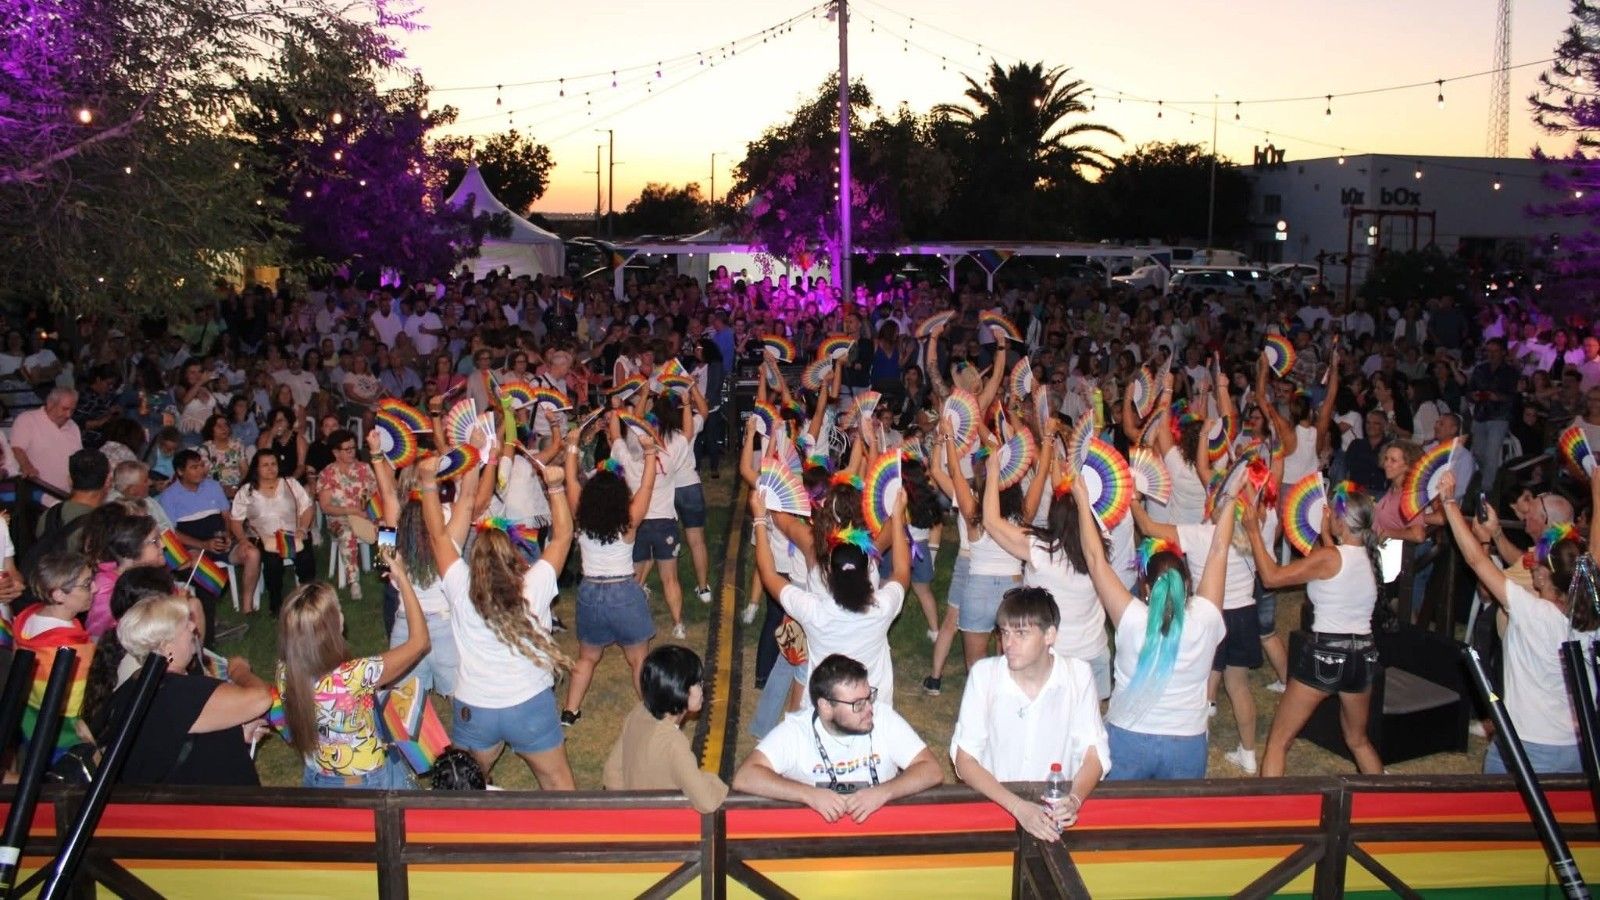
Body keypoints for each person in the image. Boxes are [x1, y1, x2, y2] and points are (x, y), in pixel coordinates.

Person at [419, 450, 578, 789]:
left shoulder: (461, 586)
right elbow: (563, 535)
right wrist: (556, 488)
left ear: (473, 560)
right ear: (514, 554)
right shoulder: (535, 584)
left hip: (476, 709)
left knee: (465, 789)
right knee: (559, 786)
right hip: (530, 707)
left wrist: (428, 484)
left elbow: (438, 538)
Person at [1439, 469, 1600, 774]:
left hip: (1527, 745)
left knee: (1499, 820)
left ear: (1542, 574)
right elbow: (1595, 556)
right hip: (1579, 746)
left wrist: (1449, 502)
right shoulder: (1590, 614)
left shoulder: (1533, 612)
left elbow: (1476, 561)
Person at [1075, 479, 1231, 780]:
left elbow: (1095, 559)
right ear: (1187, 583)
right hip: (1187, 743)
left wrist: (1083, 498)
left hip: (1127, 739)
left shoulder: (1132, 618)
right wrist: (1233, 499)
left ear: (1145, 588)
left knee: (1119, 822)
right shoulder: (1206, 618)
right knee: (1180, 824)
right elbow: (1219, 550)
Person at [1242, 483, 1384, 776]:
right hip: (1364, 658)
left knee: (1279, 741)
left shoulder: (1330, 558)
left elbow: (1270, 578)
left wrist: (1254, 531)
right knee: (1358, 741)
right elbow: (1337, 564)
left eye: (1333, 511)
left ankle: (1266, 816)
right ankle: (1383, 808)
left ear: (1343, 521)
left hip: (1328, 655)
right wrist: (1327, 534)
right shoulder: (1369, 558)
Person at [949, 587, 1108, 841]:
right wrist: (1018, 807)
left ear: (1050, 635)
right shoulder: (984, 676)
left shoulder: (1077, 676)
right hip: (996, 807)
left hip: (1055, 816)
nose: (1008, 644)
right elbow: (965, 759)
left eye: (1021, 633)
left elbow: (1094, 752)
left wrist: (1074, 799)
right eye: (1004, 632)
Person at [276, 548, 429, 789]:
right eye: (338, 608)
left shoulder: (285, 671)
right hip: (366, 780)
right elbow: (420, 642)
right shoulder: (353, 676)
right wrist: (403, 580)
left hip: (317, 776)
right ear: (332, 625)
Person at [750, 480, 910, 709]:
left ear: (829, 575)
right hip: (871, 707)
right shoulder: (882, 608)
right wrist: (898, 514)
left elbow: (768, 574)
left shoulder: (814, 610)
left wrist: (761, 515)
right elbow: (902, 570)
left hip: (823, 707)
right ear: (868, 567)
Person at [732, 654, 942, 823]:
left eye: (869, 697)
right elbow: (746, 777)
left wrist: (883, 792)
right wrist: (808, 794)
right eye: (857, 704)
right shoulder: (795, 731)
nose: (869, 708)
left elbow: (931, 770)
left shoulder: (883, 718)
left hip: (880, 835)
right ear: (825, 706)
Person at [103, 595, 272, 785]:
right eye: (185, 626)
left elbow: (171, 745)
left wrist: (237, 735)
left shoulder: (131, 688)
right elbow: (261, 698)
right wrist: (239, 670)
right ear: (167, 648)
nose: (193, 627)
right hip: (209, 806)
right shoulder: (181, 692)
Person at [560, 421, 659, 727]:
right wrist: (650, 454)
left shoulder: (582, 515)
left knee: (587, 657)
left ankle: (570, 712)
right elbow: (646, 486)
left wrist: (573, 445)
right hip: (623, 593)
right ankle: (652, 714)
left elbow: (570, 480)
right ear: (620, 493)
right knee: (638, 659)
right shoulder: (628, 520)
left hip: (590, 592)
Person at [602, 644, 728, 813]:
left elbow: (612, 772)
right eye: (698, 683)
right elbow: (707, 801)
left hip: (635, 817)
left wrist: (629, 812)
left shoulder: (639, 711)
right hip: (661, 824)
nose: (702, 688)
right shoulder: (673, 743)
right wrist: (714, 781)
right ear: (681, 691)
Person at [16, 551, 99, 757]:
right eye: (87, 584)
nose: (95, 588)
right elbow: (72, 707)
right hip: (60, 735)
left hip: (28, 719)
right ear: (59, 594)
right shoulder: (69, 648)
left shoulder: (28, 619)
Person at [229, 448, 315, 616]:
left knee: (305, 558)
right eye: (265, 465)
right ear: (256, 468)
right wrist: (242, 540)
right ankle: (276, 603)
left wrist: (303, 529)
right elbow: (236, 521)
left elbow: (307, 509)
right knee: (272, 562)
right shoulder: (247, 491)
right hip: (263, 537)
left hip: (292, 534)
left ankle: (308, 598)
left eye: (273, 464)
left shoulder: (290, 483)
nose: (270, 468)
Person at [82, 505, 163, 638]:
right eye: (155, 541)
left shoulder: (143, 576)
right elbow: (97, 635)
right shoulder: (107, 588)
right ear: (132, 547)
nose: (162, 546)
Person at [316, 429, 377, 599]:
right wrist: (352, 511)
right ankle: (353, 581)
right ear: (336, 452)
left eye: (353, 448)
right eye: (347, 449)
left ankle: (386, 569)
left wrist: (363, 505)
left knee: (389, 528)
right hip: (338, 517)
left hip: (362, 514)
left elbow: (371, 489)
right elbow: (326, 506)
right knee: (346, 533)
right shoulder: (327, 474)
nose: (352, 452)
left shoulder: (364, 468)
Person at [12, 386, 83, 499]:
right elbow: (17, 449)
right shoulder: (27, 419)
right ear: (50, 404)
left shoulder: (73, 426)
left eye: (72, 410)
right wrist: (27, 466)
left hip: (68, 495)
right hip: (40, 494)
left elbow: (78, 459)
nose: (68, 415)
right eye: (64, 409)